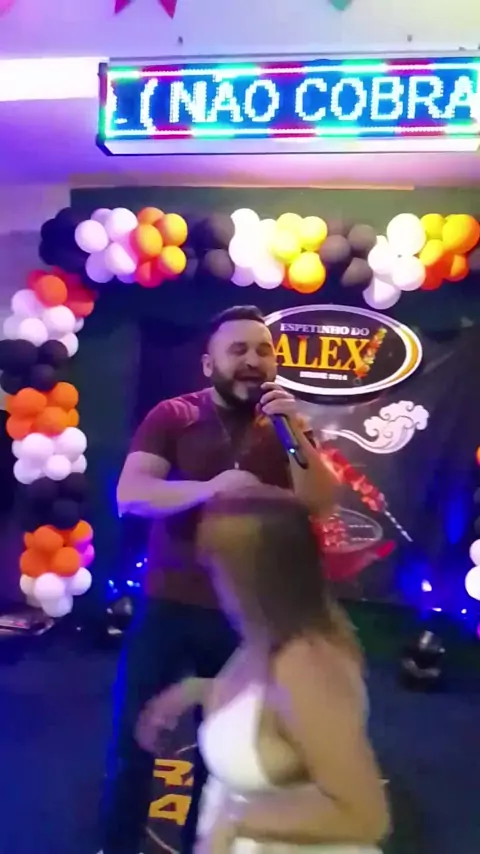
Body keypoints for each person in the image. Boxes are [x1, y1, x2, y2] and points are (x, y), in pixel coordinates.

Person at [99, 305, 335, 854]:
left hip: (246, 615)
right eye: (239, 350)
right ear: (210, 365)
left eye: (263, 350)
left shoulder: (288, 427)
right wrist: (210, 489)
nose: (253, 360)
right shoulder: (174, 415)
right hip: (168, 604)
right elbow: (131, 495)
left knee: (225, 753)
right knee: (135, 741)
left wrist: (295, 435)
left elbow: (319, 502)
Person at [138, 488, 390, 854]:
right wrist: (197, 689)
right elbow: (268, 707)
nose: (211, 582)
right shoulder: (267, 635)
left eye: (218, 569)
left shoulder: (306, 667)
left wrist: (237, 820)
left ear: (254, 577)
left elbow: (365, 815)